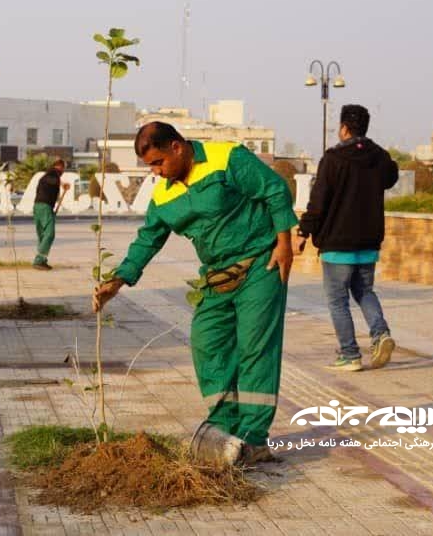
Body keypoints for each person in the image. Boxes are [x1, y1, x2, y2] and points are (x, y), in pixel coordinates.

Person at [92, 122, 297, 464]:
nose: (156, 173)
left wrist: (284, 244)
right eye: (150, 167)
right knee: (207, 342)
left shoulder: (226, 157)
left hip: (261, 264)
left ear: (177, 147)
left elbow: (274, 190)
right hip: (215, 276)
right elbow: (149, 239)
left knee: (255, 348)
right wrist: (118, 280)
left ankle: (254, 439)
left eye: (158, 163)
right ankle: (224, 427)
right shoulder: (164, 194)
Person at [297, 104, 398, 372]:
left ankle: (350, 354)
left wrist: (303, 231)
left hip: (337, 243)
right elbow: (391, 177)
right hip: (368, 242)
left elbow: (318, 201)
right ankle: (380, 333)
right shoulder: (380, 157)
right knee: (364, 290)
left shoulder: (333, 159)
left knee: (337, 299)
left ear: (343, 128)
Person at [32, 158, 70, 270]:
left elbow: (50, 181)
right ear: (59, 167)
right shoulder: (53, 174)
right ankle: (38, 260)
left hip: (39, 206)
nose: (63, 171)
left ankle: (42, 260)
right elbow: (52, 179)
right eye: (63, 168)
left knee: (43, 235)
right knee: (49, 234)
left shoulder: (47, 175)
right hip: (44, 207)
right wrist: (63, 184)